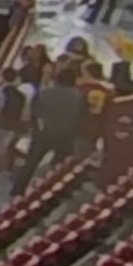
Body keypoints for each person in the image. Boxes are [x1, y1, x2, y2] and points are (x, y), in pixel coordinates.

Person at [12, 61, 89, 195]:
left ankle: (17, 190)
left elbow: (34, 112)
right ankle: (51, 192)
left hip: (43, 133)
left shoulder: (44, 93)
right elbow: (81, 118)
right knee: (59, 167)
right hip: (65, 136)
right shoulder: (79, 98)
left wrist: (37, 129)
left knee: (30, 163)